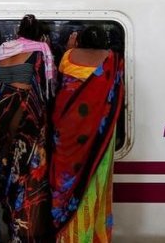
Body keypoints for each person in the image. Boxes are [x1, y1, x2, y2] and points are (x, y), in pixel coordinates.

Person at [50, 26, 124, 242]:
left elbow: (59, 83)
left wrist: (70, 48)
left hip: (68, 133)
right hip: (99, 136)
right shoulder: (113, 60)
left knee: (66, 181)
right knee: (95, 179)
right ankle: (91, 234)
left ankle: (68, 235)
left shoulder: (68, 56)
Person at [0, 14, 56, 242]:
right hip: (25, 117)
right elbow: (46, 88)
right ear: (40, 34)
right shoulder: (40, 50)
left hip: (0, 115)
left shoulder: (2, 50)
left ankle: (9, 225)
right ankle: (24, 231)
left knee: (5, 169)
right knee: (27, 177)